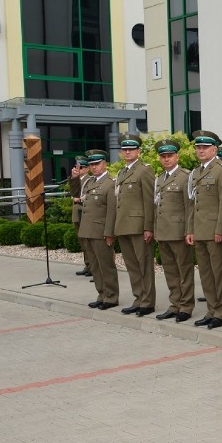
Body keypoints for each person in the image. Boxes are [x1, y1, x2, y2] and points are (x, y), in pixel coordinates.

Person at [186, 130, 222, 330]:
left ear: (215, 149)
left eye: (205, 147)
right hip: (199, 229)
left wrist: (221, 229)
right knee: (205, 273)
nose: (201, 150)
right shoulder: (195, 173)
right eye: (198, 147)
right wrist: (190, 229)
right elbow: (192, 204)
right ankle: (211, 310)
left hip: (215, 231)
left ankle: (221, 313)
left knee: (219, 273)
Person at [152, 139, 195, 323]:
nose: (167, 159)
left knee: (184, 271)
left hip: (179, 231)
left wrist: (189, 231)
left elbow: (190, 207)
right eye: (163, 156)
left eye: (170, 156)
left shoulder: (185, 177)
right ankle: (174, 304)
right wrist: (155, 229)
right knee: (170, 271)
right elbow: (157, 207)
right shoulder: (159, 178)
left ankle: (186, 306)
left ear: (177, 156)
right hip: (163, 232)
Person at [114, 133, 156, 317]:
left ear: (138, 151)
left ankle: (147, 302)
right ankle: (138, 298)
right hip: (123, 225)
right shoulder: (122, 172)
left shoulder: (144, 170)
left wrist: (148, 227)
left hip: (139, 226)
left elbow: (149, 200)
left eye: (131, 149)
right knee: (132, 265)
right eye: (125, 149)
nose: (128, 152)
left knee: (144, 265)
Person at [79, 150, 118, 310]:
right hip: (88, 230)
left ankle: (111, 297)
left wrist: (109, 233)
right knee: (94, 266)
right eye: (91, 165)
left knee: (106, 265)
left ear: (104, 164)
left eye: (97, 164)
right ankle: (101, 294)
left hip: (101, 231)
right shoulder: (89, 182)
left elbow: (111, 211)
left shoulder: (110, 182)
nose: (94, 167)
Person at [69, 156, 92, 277]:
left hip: (84, 211)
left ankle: (93, 266)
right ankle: (87, 265)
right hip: (77, 212)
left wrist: (80, 199)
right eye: (76, 167)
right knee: (82, 241)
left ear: (87, 169)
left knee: (88, 241)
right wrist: (74, 177)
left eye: (81, 167)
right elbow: (73, 192)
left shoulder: (90, 179)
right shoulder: (77, 179)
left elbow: (86, 195)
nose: (78, 169)